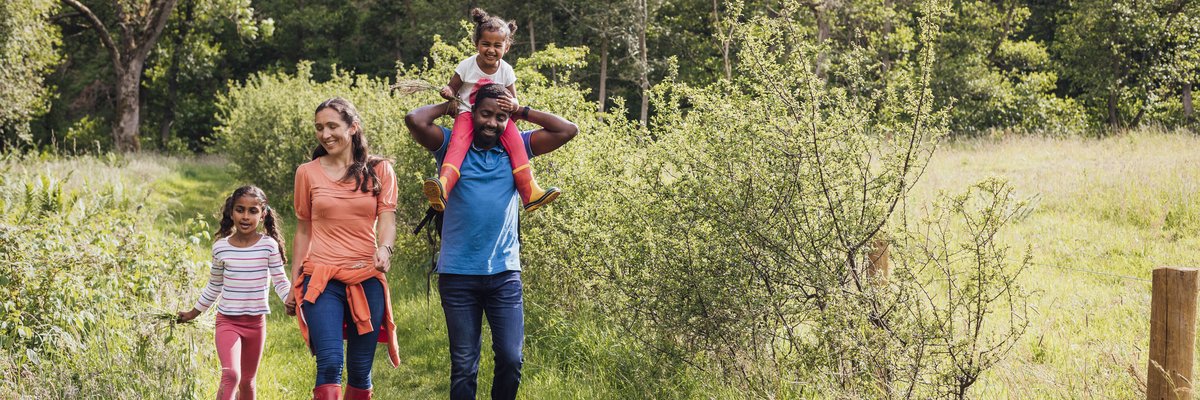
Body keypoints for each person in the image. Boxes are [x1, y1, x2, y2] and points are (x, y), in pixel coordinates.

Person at [405, 83, 578, 400]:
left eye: (500, 117)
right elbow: (415, 119)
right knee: (464, 366)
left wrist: (520, 110)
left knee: (512, 360)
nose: (492, 123)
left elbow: (567, 130)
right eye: (485, 114)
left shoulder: (518, 148)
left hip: (504, 275)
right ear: (474, 114)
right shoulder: (450, 145)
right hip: (458, 274)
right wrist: (452, 107)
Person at [286, 97, 399, 400]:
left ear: (353, 128)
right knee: (330, 361)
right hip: (320, 279)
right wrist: (292, 283)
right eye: (319, 128)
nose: (325, 134)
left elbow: (387, 218)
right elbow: (303, 230)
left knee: (361, 369)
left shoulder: (380, 170)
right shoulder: (306, 173)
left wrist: (385, 249)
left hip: (367, 276)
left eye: (332, 126)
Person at [424, 7, 560, 213]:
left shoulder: (506, 69)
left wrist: (514, 106)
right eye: (486, 44)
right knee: (457, 145)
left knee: (516, 146)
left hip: (501, 118)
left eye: (497, 45)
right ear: (476, 44)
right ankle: (443, 186)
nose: (491, 49)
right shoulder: (467, 65)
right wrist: (448, 92)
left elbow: (513, 98)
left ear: (506, 48)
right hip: (467, 113)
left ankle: (530, 191)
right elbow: (453, 86)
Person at [177, 185, 291, 400]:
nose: (245, 216)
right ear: (231, 212)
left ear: (263, 214)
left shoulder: (268, 246)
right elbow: (214, 285)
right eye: (240, 209)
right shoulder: (221, 247)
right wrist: (193, 313)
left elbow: (280, 282)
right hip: (227, 322)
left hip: (256, 324)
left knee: (247, 383)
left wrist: (291, 301)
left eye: (252, 211)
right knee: (231, 375)